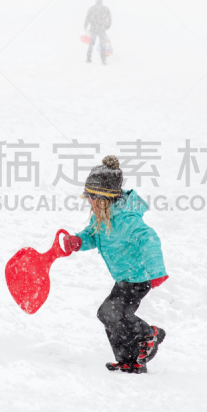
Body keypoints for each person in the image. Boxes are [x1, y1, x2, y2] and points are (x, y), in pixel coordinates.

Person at [63, 155, 168, 374]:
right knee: (111, 316)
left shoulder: (125, 219)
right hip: (125, 277)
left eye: (91, 197)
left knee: (112, 313)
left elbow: (149, 239)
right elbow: (94, 234)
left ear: (103, 197)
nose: (88, 201)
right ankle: (129, 361)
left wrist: (156, 272)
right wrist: (79, 241)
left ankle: (150, 334)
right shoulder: (103, 216)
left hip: (138, 278)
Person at [84, 0, 111, 65]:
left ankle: (88, 58)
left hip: (93, 29)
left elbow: (87, 18)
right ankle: (103, 60)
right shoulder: (105, 8)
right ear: (101, 0)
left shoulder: (92, 8)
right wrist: (107, 26)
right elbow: (109, 18)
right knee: (102, 45)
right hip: (101, 29)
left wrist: (85, 26)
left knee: (91, 44)